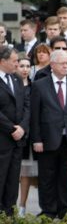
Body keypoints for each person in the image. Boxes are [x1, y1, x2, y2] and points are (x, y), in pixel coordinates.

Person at [29, 49, 67, 223]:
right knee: (47, 177)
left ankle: (64, 212)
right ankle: (48, 211)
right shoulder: (40, 85)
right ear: (52, 65)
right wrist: (36, 139)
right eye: (62, 63)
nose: (66, 66)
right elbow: (35, 115)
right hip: (47, 140)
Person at [0, 47, 30, 215]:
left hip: (17, 139)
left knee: (13, 178)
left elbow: (26, 105)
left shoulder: (17, 79)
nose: (17, 64)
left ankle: (9, 211)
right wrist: (12, 128)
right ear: (3, 62)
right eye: (14, 61)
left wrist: (23, 127)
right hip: (3, 137)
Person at [16, 55, 35, 216]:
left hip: (29, 135)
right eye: (21, 65)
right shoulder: (11, 85)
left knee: (25, 172)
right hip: (12, 133)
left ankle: (22, 206)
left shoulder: (34, 87)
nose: (25, 69)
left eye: (28, 66)